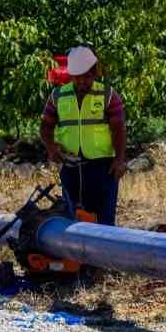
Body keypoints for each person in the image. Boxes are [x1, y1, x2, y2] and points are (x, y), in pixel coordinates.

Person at [40, 46, 128, 226]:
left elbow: (119, 129)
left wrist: (120, 160)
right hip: (70, 166)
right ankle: (77, 254)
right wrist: (51, 148)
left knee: (104, 222)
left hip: (103, 168)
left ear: (95, 73)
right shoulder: (58, 96)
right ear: (71, 76)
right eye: (77, 77)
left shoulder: (108, 95)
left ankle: (103, 252)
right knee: (73, 221)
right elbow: (45, 127)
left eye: (86, 77)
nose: (81, 82)